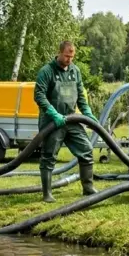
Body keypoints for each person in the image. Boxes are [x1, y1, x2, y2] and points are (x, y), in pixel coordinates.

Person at [33, 40, 98, 203]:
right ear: (60, 52)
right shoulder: (47, 71)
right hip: (52, 122)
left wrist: (87, 112)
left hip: (71, 119)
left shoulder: (75, 71)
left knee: (87, 150)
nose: (70, 59)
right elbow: (39, 95)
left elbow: (81, 96)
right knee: (48, 157)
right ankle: (47, 193)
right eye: (67, 56)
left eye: (72, 56)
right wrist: (54, 114)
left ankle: (88, 188)